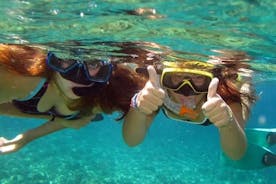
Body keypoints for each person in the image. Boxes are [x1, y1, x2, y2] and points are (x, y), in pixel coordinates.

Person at [122, 48, 276, 168]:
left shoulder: (225, 98)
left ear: (211, 81)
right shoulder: (157, 92)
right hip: (200, 113)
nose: (186, 90)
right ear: (165, 78)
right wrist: (139, 106)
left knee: (242, 96)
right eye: (177, 78)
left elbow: (235, 154)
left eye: (198, 79)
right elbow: (131, 140)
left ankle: (246, 85)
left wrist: (228, 123)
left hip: (217, 110)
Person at [0, 42, 146, 154]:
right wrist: (26, 137)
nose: (77, 75)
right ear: (54, 57)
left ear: (106, 68)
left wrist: (25, 138)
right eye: (66, 58)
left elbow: (71, 121)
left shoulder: (103, 95)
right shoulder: (24, 78)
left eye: (93, 63)